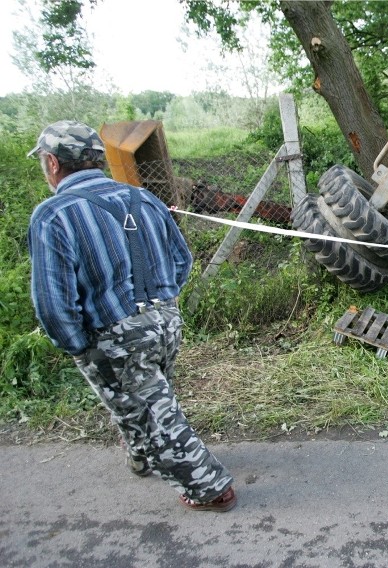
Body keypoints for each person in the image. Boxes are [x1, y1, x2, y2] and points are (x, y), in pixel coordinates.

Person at [27, 120, 237, 512]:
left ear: (53, 163)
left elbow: (53, 300)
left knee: (154, 411)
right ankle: (141, 456)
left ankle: (209, 488)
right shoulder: (142, 199)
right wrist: (160, 304)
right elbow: (181, 259)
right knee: (148, 399)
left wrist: (77, 345)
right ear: (95, 158)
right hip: (165, 323)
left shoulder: (53, 215)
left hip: (113, 334)